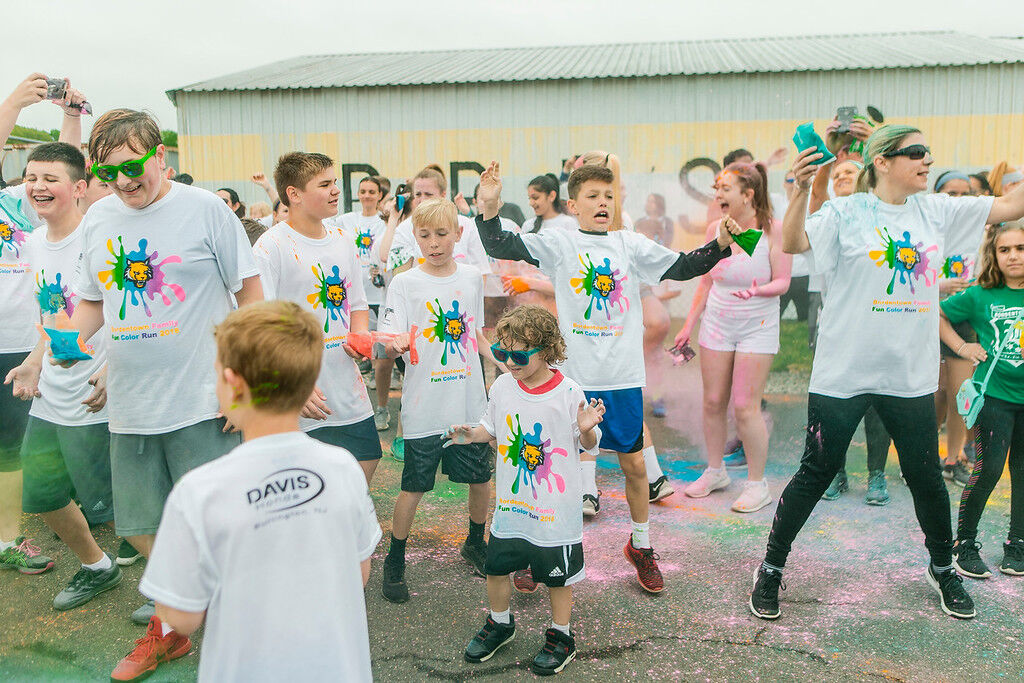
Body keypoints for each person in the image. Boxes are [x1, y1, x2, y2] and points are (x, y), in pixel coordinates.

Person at [750, 124, 1024, 623]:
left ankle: (943, 567)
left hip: (909, 376)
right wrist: (797, 192)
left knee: (925, 477)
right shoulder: (844, 210)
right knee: (816, 472)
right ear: (882, 161)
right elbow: (791, 242)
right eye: (916, 152)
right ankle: (770, 567)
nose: (927, 160)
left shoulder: (935, 210)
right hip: (843, 372)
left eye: (928, 152)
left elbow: (1011, 208)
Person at [59, 109, 262, 674]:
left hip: (203, 398)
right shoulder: (98, 218)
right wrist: (69, 342)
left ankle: (205, 625)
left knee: (217, 521)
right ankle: (185, 616)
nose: (123, 181)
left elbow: (251, 294)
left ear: (161, 157)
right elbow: (95, 300)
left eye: (133, 166)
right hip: (131, 401)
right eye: (108, 170)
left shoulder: (206, 210)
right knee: (142, 526)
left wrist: (245, 383)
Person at [475, 161, 740, 593]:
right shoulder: (559, 242)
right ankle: (532, 547)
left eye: (608, 196)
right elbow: (504, 242)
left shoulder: (629, 244)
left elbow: (685, 266)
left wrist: (720, 243)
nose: (602, 203)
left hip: (620, 378)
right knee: (545, 461)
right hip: (569, 378)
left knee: (634, 465)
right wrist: (488, 207)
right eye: (593, 197)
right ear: (574, 205)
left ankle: (641, 545)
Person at [134, 300, 380, 682]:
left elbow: (180, 617)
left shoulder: (199, 491)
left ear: (232, 385)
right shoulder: (345, 468)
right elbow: (359, 573)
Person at [448, 305, 604, 675]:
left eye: (519, 355)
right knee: (496, 568)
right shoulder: (503, 386)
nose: (510, 362)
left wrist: (585, 428)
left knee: (557, 578)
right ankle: (500, 622)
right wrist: (470, 434)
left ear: (547, 350)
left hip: (554, 514)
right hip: (513, 508)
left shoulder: (568, 392)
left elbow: (590, 444)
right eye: (503, 353)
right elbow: (491, 428)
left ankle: (561, 635)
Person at [4, 143, 120, 609]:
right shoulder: (33, 244)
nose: (38, 186)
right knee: (43, 493)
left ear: (78, 187)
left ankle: (172, 589)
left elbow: (128, 310)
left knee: (118, 512)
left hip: (101, 395)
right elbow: (52, 315)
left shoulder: (101, 240)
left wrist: (116, 368)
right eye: (31, 177)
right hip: (51, 395)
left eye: (50, 178)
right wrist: (35, 360)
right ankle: (98, 566)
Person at [377, 197, 496, 603]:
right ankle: (395, 558)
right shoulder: (405, 283)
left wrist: (508, 362)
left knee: (480, 479)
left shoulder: (471, 278)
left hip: (467, 404)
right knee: (413, 487)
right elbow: (389, 340)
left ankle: (475, 542)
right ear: (414, 237)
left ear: (458, 235)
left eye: (442, 234)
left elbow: (476, 334)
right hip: (424, 406)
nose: (434, 243)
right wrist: (393, 345)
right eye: (424, 235)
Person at [0, 72, 87, 575]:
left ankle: (11, 538)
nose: (36, 185)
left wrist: (69, 116)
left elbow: (63, 171)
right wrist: (13, 101)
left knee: (13, 448)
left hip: (25, 342)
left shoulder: (21, 201)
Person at [253, 153, 381, 482]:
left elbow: (358, 304)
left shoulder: (342, 240)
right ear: (294, 194)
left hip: (346, 385)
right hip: (300, 394)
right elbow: (261, 325)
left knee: (366, 461)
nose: (336, 190)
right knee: (307, 486)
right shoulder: (271, 247)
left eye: (335, 182)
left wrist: (360, 336)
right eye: (325, 184)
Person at [676, 163, 791, 513]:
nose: (718, 195)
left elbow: (783, 282)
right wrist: (686, 326)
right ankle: (716, 472)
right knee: (712, 401)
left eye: (725, 188)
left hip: (757, 327)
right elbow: (707, 281)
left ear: (748, 194)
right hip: (717, 325)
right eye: (717, 188)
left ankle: (758, 485)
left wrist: (757, 292)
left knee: (744, 406)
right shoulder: (717, 228)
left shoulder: (774, 230)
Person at [940, 219, 1024, 579]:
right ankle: (965, 546)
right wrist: (961, 346)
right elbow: (937, 312)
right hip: (995, 397)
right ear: (993, 254)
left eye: (1020, 248)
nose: (1013, 256)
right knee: (988, 469)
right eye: (1004, 250)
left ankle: (1017, 545)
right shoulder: (979, 294)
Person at [934, 170, 985, 486]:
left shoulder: (980, 232)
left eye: (965, 194)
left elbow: (986, 274)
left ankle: (953, 460)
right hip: (924, 316)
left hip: (963, 320)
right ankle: (924, 458)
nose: (957, 200)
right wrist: (941, 285)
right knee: (932, 393)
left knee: (959, 395)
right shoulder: (926, 227)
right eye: (950, 194)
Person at [338, 176, 390, 427]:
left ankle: (379, 401)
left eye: (372, 191)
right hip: (355, 297)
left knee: (380, 348)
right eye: (363, 191)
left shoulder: (385, 222)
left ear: (380, 195)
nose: (367, 195)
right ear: (358, 194)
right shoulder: (347, 220)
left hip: (380, 294)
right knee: (358, 346)